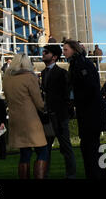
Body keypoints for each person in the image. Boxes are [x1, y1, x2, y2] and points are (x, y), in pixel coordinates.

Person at [63, 39, 106, 179]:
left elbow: (89, 88)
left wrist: (74, 101)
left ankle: (97, 175)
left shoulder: (81, 64)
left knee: (91, 147)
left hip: (91, 111)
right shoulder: (78, 63)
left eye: (66, 49)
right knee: (91, 146)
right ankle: (100, 174)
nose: (63, 52)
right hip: (89, 110)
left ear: (74, 49)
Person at [3, 53, 48, 179]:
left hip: (15, 118)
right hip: (30, 119)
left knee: (24, 153)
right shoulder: (29, 77)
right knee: (42, 151)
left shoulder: (6, 78)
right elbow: (39, 102)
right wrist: (45, 109)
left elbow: (7, 98)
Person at [41, 44, 76, 179]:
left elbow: (68, 94)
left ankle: (71, 174)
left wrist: (65, 113)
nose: (43, 53)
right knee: (46, 148)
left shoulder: (62, 73)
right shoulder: (43, 73)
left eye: (46, 52)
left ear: (54, 57)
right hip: (48, 117)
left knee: (66, 147)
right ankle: (45, 173)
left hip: (60, 116)